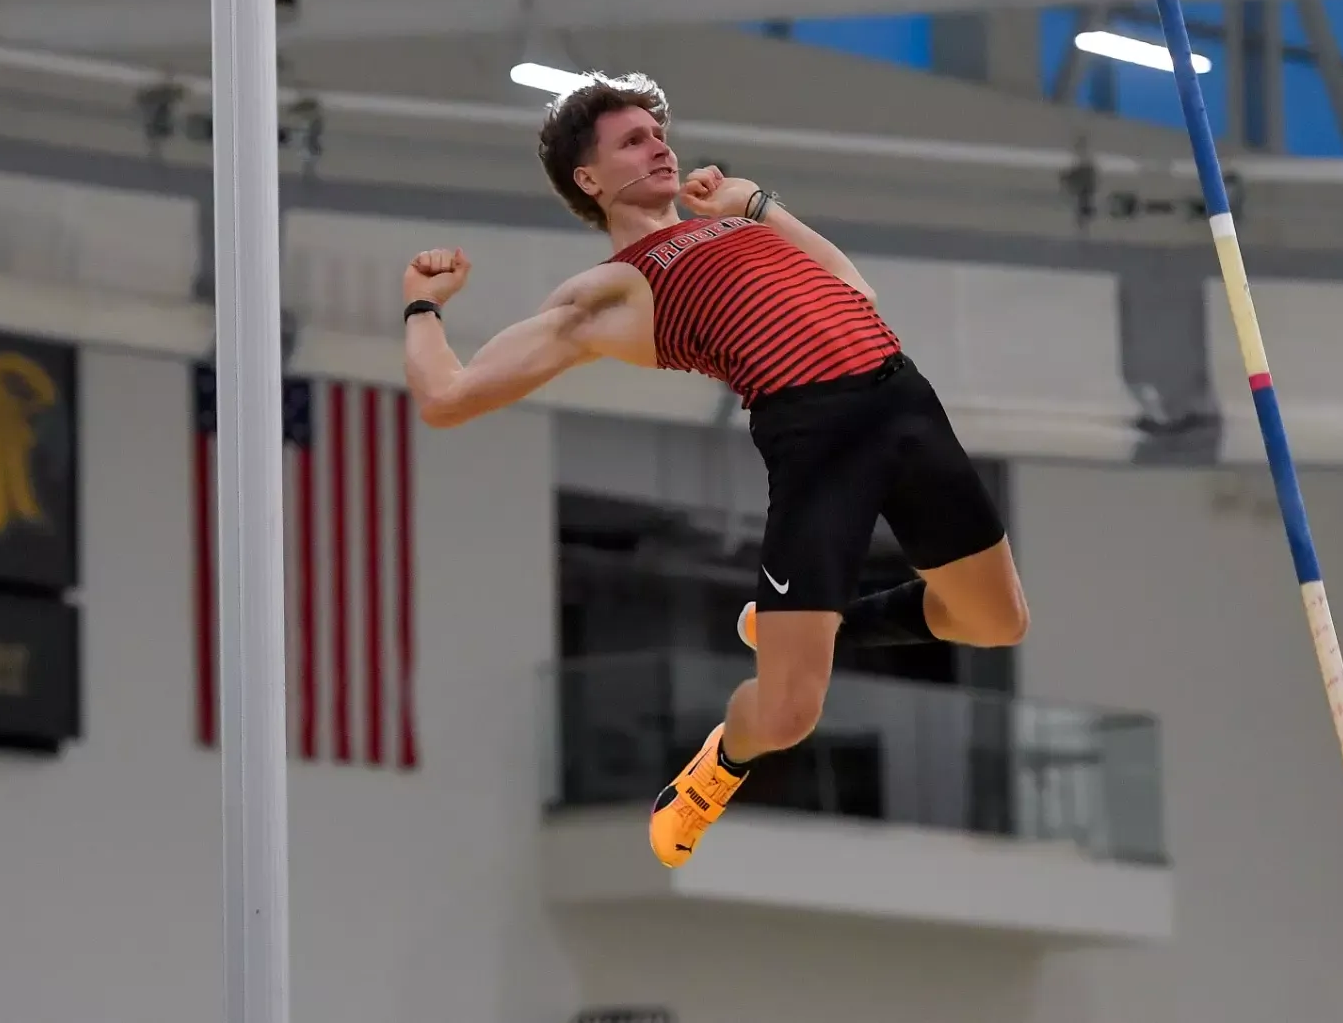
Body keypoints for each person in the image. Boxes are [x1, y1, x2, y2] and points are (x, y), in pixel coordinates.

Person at [399, 72, 1029, 867]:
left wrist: (756, 205)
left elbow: (855, 291)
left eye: (659, 134)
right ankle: (719, 763)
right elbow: (447, 398)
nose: (659, 145)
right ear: (589, 180)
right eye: (632, 140)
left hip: (904, 399)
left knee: (995, 620)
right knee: (791, 712)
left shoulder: (747, 229)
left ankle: (802, 623)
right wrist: (424, 305)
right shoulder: (614, 289)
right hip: (817, 431)